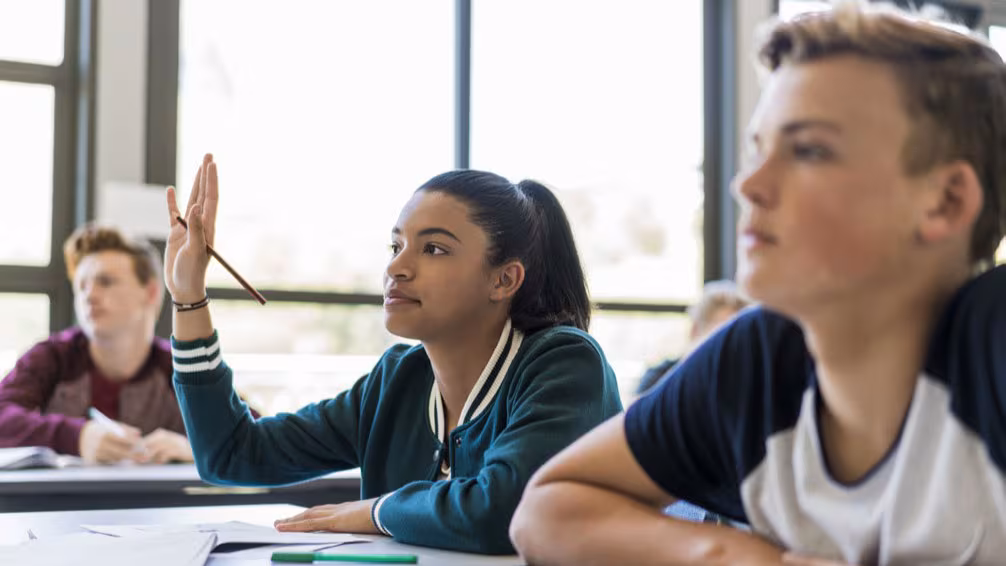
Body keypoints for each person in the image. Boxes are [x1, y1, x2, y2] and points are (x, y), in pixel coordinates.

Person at [510, 3, 1006, 564]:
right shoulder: (759, 359)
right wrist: (736, 557)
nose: (748, 184)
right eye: (757, 149)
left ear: (946, 200)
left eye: (810, 150)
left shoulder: (993, 341)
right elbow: (547, 509)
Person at [165, 154, 622, 554]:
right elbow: (231, 455)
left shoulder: (565, 363)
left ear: (503, 280)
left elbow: (500, 511)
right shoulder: (398, 379)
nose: (396, 267)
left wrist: (375, 511)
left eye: (434, 248)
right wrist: (188, 299)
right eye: (396, 245)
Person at [0, 224, 193, 464]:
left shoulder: (180, 369)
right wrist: (75, 436)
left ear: (151, 292)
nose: (88, 296)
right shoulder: (50, 357)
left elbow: (246, 434)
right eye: (81, 285)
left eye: (105, 282)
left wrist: (196, 449)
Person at [635, 279, 749, 395]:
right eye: (720, 336)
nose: (727, 345)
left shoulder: (743, 384)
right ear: (695, 331)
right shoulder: (658, 380)